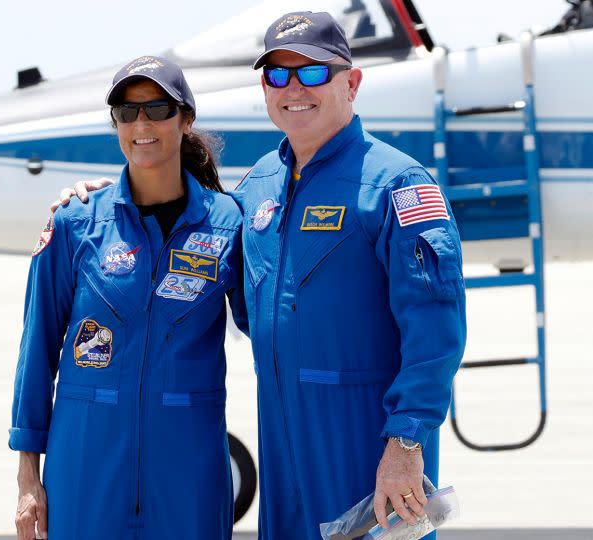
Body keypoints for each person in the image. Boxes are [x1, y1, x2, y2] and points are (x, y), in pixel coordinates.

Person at [58, 11, 467, 539]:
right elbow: (194, 227)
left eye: (313, 72)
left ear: (352, 82)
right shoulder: (258, 190)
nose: (294, 88)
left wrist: (406, 446)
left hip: (368, 439)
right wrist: (108, 197)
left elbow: (437, 333)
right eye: (278, 75)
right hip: (281, 435)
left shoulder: (396, 186)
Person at [9, 55, 247, 540]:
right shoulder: (75, 223)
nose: (142, 124)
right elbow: (36, 354)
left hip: (188, 467)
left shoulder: (228, 224)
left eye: (158, 109)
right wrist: (27, 476)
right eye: (126, 110)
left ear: (185, 120)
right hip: (86, 464)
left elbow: (272, 332)